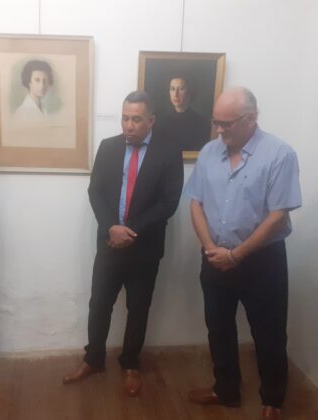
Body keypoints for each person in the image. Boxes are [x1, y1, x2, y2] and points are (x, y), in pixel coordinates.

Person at [185, 87, 301, 420]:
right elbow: (196, 202)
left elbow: (277, 216)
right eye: (216, 122)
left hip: (261, 262)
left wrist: (236, 255)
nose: (219, 130)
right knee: (218, 328)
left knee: (269, 333)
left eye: (227, 124)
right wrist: (211, 248)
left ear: (251, 119)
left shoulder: (279, 154)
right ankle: (226, 389)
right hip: (214, 256)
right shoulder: (209, 152)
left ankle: (272, 400)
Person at [62, 91, 184, 397]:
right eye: (125, 118)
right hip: (109, 244)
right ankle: (93, 360)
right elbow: (95, 191)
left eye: (136, 119)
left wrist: (129, 230)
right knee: (99, 305)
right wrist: (111, 228)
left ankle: (130, 363)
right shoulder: (108, 147)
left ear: (151, 120)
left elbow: (169, 201)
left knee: (138, 308)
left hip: (145, 248)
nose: (129, 125)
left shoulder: (169, 152)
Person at [160, 73, 211, 151]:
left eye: (181, 89)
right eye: (172, 89)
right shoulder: (162, 122)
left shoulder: (202, 123)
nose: (176, 94)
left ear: (190, 91)